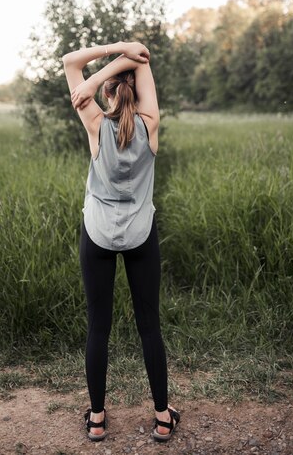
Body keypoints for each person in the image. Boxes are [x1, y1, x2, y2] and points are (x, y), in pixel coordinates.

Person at [63, 40, 180, 443]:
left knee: (99, 326)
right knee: (150, 327)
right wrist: (127, 54)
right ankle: (163, 418)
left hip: (97, 232)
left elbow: (69, 61)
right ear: (136, 89)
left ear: (109, 92)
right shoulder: (150, 125)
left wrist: (98, 71)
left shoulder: (95, 123)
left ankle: (97, 419)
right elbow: (142, 54)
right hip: (139, 233)